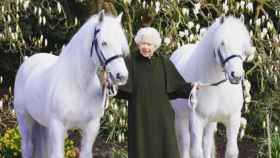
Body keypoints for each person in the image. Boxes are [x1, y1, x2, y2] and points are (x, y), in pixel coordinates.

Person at [116, 27, 192, 158]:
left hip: (162, 118)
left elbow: (177, 87)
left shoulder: (163, 62)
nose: (146, 47)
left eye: (149, 44)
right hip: (140, 117)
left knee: (166, 150)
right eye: (143, 44)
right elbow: (122, 89)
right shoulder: (130, 61)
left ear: (155, 45)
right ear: (138, 44)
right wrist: (109, 87)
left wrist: (192, 87)